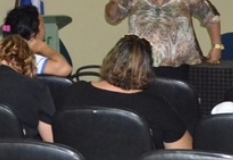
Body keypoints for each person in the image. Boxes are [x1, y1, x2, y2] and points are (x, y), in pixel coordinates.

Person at [63, 35, 192, 150]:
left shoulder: (76, 92)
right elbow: (183, 155)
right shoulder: (157, 107)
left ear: (109, 60)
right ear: (148, 69)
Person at [2, 5, 72, 76]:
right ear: (34, 34)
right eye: (43, 26)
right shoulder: (30, 61)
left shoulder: (1, 57)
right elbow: (65, 68)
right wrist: (41, 46)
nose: (45, 30)